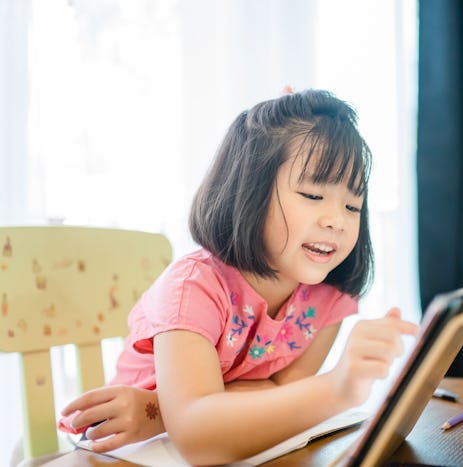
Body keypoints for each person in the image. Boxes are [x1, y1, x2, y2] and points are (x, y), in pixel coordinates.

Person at [58, 89, 418, 465]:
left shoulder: (329, 295)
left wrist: (162, 410)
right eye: (313, 195)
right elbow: (199, 438)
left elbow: (284, 390)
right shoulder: (193, 287)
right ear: (250, 191)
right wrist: (336, 388)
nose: (337, 220)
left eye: (352, 205)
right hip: (126, 454)